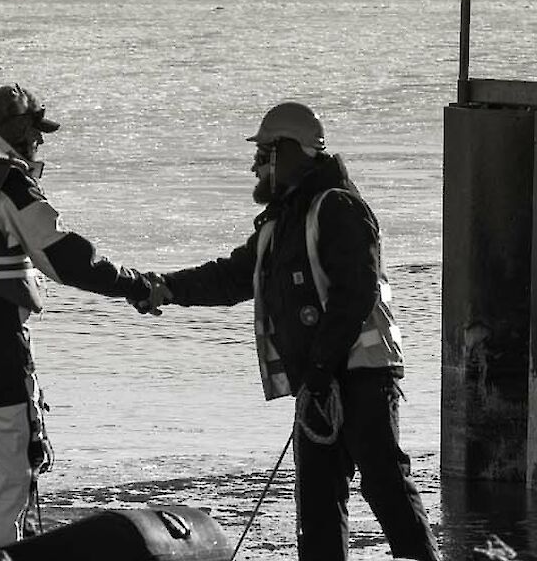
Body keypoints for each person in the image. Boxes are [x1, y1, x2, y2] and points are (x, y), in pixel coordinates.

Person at [134, 101, 437, 561]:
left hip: (363, 380)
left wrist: (319, 369)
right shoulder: (284, 221)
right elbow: (233, 276)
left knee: (387, 488)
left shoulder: (338, 207)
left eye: (265, 153)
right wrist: (166, 289)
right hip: (319, 385)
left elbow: (356, 295)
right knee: (316, 506)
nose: (256, 164)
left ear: (292, 152)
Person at [0, 84, 159, 561]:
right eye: (36, 134)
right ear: (16, 135)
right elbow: (65, 258)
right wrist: (137, 286)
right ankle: (4, 557)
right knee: (10, 470)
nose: (40, 143)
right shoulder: (10, 185)